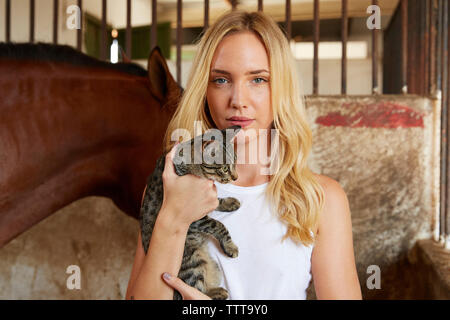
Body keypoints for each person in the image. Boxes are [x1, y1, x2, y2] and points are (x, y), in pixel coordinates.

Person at [126, 10, 362, 300]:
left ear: (281, 88)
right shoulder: (167, 186)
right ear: (204, 90)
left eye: (258, 80)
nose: (238, 101)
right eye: (221, 80)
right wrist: (173, 218)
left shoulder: (321, 198)